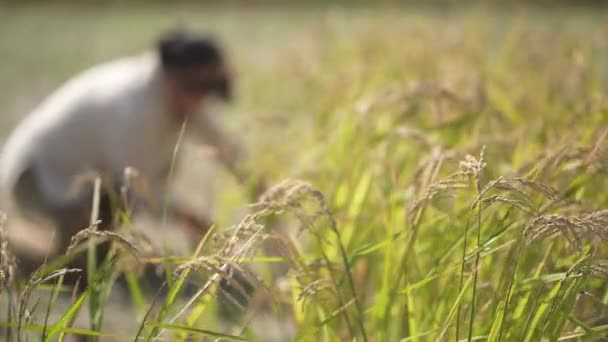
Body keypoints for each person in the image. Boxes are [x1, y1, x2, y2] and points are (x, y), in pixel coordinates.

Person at [0, 28, 258, 287]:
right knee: (79, 272)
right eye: (196, 88)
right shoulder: (134, 107)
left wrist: (256, 185)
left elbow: (223, 145)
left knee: (100, 253)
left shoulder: (178, 90)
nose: (201, 99)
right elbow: (139, 190)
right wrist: (191, 220)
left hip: (84, 182)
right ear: (174, 77)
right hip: (40, 177)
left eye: (207, 89)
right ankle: (12, 252)